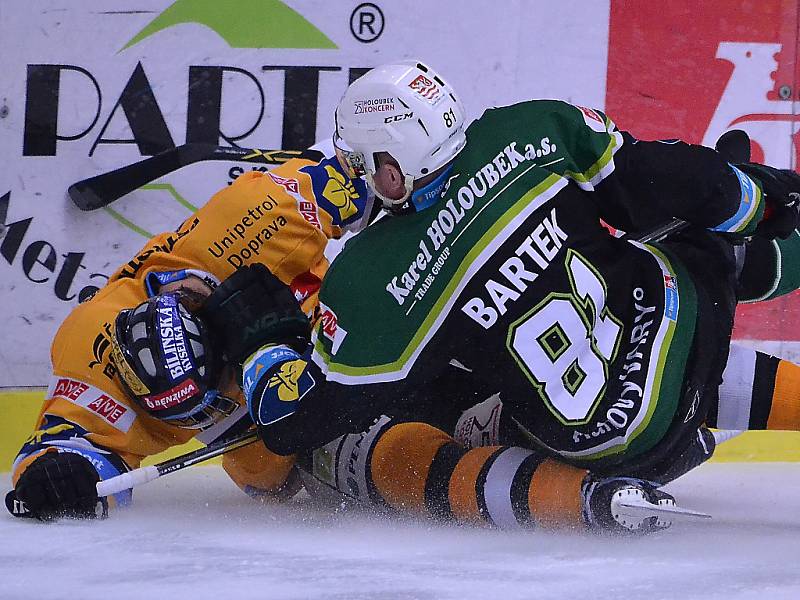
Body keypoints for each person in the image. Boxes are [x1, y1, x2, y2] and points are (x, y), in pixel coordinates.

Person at [231, 60, 800, 533]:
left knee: (400, 416)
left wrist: (264, 347)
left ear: (393, 165)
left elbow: (300, 423)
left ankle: (570, 499)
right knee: (697, 214)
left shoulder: (370, 277)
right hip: (693, 335)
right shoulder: (530, 129)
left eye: (361, 162)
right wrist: (754, 197)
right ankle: (763, 240)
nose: (354, 176)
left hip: (608, 448)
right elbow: (662, 181)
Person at [6, 154, 374, 521]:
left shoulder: (257, 220)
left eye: (209, 409)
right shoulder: (90, 356)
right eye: (194, 417)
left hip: (346, 288)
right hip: (271, 371)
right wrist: (57, 480)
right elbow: (54, 449)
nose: (207, 419)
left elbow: (373, 158)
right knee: (271, 475)